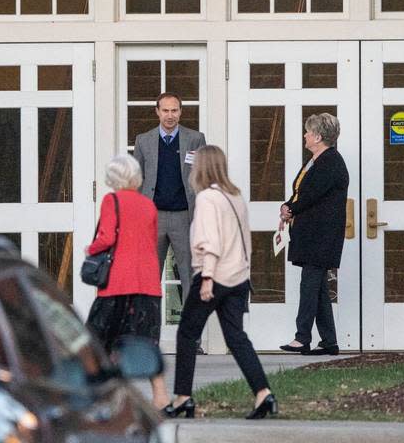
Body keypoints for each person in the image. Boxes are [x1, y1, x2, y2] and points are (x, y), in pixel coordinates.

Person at [163, 145, 276, 420]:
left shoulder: (206, 199)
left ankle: (182, 397)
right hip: (238, 277)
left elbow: (210, 242)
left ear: (202, 167)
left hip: (214, 276)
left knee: (187, 334)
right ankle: (263, 393)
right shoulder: (234, 196)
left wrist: (207, 279)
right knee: (237, 338)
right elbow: (241, 239)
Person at [83, 154, 167, 408]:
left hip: (118, 282)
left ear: (113, 178)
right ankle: (161, 396)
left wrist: (91, 248)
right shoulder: (148, 204)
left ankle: (99, 394)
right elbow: (151, 241)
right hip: (148, 282)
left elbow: (107, 237)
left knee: (99, 339)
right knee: (146, 341)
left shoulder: (112, 200)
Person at [279, 113, 349, 356]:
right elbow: (301, 192)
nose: (305, 136)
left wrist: (293, 208)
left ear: (318, 136)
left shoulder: (331, 162)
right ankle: (329, 341)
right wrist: (288, 205)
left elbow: (312, 194)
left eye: (308, 132)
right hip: (311, 232)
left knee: (309, 285)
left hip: (321, 234)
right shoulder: (316, 160)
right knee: (318, 287)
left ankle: (302, 337)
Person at [132, 91, 207, 303]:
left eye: (174, 110)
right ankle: (148, 333)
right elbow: (136, 180)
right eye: (165, 110)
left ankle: (190, 334)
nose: (170, 115)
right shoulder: (143, 140)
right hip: (152, 217)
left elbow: (203, 176)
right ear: (157, 112)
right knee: (148, 277)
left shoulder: (195, 139)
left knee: (189, 276)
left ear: (181, 112)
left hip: (184, 216)